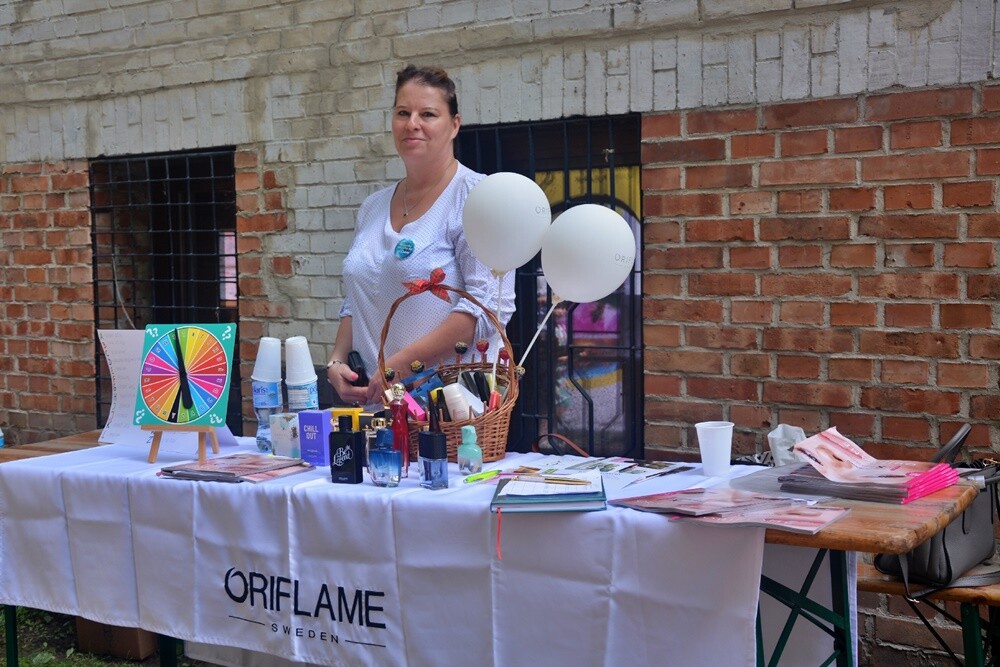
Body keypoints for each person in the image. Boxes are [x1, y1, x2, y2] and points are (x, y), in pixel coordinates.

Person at [327, 64, 516, 406]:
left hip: (448, 408)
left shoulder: (477, 198)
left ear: (454, 124)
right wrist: (337, 360)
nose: (412, 123)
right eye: (403, 112)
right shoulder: (372, 206)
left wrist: (401, 364)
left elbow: (487, 307)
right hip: (377, 406)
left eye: (427, 113)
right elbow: (358, 297)